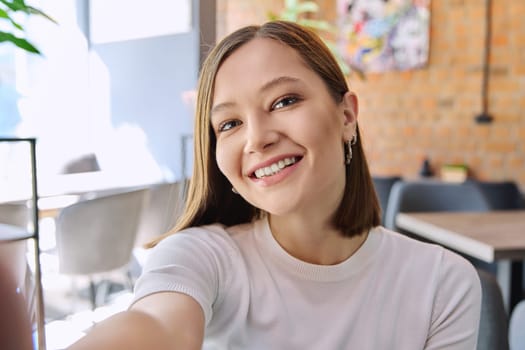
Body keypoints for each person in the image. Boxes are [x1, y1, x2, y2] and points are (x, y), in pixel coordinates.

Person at [70, 20, 481, 349]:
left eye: (284, 101)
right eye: (229, 124)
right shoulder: (200, 257)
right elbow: (156, 326)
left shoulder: (442, 283)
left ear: (347, 116)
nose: (256, 138)